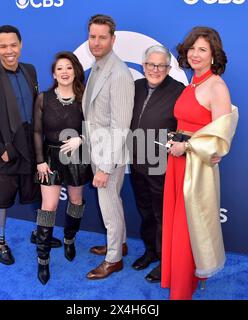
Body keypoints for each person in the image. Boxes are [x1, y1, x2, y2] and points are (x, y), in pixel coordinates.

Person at [0, 25, 60, 266]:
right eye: (3, 46)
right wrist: (1, 150)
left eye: (13, 45)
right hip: (4, 152)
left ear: (21, 45)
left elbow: (36, 109)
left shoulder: (30, 71)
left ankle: (38, 233)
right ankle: (1, 241)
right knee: (3, 199)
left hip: (30, 147)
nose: (9, 51)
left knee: (35, 192)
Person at [161, 26, 239, 300]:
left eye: (202, 49)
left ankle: (182, 290)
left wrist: (188, 146)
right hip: (178, 162)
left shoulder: (217, 86)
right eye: (192, 48)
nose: (195, 54)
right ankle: (185, 279)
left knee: (187, 228)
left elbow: (219, 138)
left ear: (214, 54)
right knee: (179, 225)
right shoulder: (192, 83)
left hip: (195, 169)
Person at [33, 51, 93, 285]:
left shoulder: (84, 97)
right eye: (60, 68)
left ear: (76, 71)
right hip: (49, 156)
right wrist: (40, 160)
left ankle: (69, 238)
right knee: (48, 207)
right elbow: (37, 131)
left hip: (77, 155)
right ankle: (43, 259)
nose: (65, 72)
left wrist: (82, 138)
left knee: (76, 201)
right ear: (54, 73)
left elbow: (95, 125)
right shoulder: (43, 98)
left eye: (69, 67)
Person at [83, 14, 135, 280]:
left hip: (108, 153)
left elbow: (120, 126)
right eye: (92, 37)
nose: (96, 42)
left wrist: (104, 167)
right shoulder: (98, 66)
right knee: (113, 201)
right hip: (97, 148)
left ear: (113, 39)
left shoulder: (119, 73)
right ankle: (120, 244)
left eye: (103, 37)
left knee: (108, 205)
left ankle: (113, 259)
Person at [129, 45, 185, 283]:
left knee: (163, 215)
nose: (155, 69)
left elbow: (185, 127)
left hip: (162, 165)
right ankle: (151, 251)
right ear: (143, 66)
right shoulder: (136, 86)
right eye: (150, 64)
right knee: (145, 211)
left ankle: (165, 260)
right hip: (137, 162)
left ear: (168, 68)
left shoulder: (179, 91)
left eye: (161, 65)